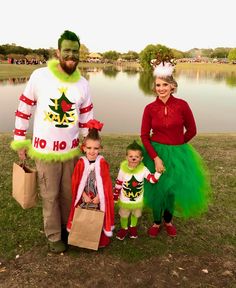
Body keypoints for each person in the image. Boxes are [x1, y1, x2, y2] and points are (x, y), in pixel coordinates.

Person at [11, 30, 94, 253]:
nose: (71, 55)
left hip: (71, 151)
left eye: (75, 51)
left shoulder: (83, 84)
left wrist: (88, 143)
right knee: (50, 195)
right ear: (58, 51)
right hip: (44, 150)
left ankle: (67, 229)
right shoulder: (39, 76)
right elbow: (24, 109)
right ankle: (54, 234)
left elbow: (87, 117)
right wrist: (20, 140)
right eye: (67, 50)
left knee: (69, 194)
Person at [141, 56, 211, 238]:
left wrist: (179, 144)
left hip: (178, 153)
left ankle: (168, 220)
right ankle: (156, 222)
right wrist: (155, 157)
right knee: (156, 189)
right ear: (154, 87)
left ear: (172, 86)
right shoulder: (149, 108)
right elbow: (143, 136)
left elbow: (193, 130)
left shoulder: (182, 105)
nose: (161, 89)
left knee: (171, 190)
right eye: (158, 85)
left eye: (165, 85)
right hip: (155, 153)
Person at [67, 119, 114, 248]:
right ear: (83, 148)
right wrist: (83, 195)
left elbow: (106, 183)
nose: (92, 151)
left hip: (98, 198)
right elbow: (76, 182)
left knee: (97, 218)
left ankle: (98, 240)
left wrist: (100, 196)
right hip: (85, 197)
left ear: (100, 149)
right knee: (83, 215)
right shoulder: (81, 163)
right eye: (89, 148)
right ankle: (82, 237)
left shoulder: (102, 163)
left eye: (95, 148)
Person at [114, 140, 161, 240]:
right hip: (124, 200)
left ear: (141, 158)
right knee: (124, 215)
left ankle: (132, 228)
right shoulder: (123, 169)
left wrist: (158, 173)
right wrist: (115, 196)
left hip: (137, 200)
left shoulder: (143, 169)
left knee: (135, 215)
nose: (133, 158)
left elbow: (152, 180)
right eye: (131, 156)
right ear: (126, 157)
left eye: (136, 157)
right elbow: (118, 183)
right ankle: (124, 229)